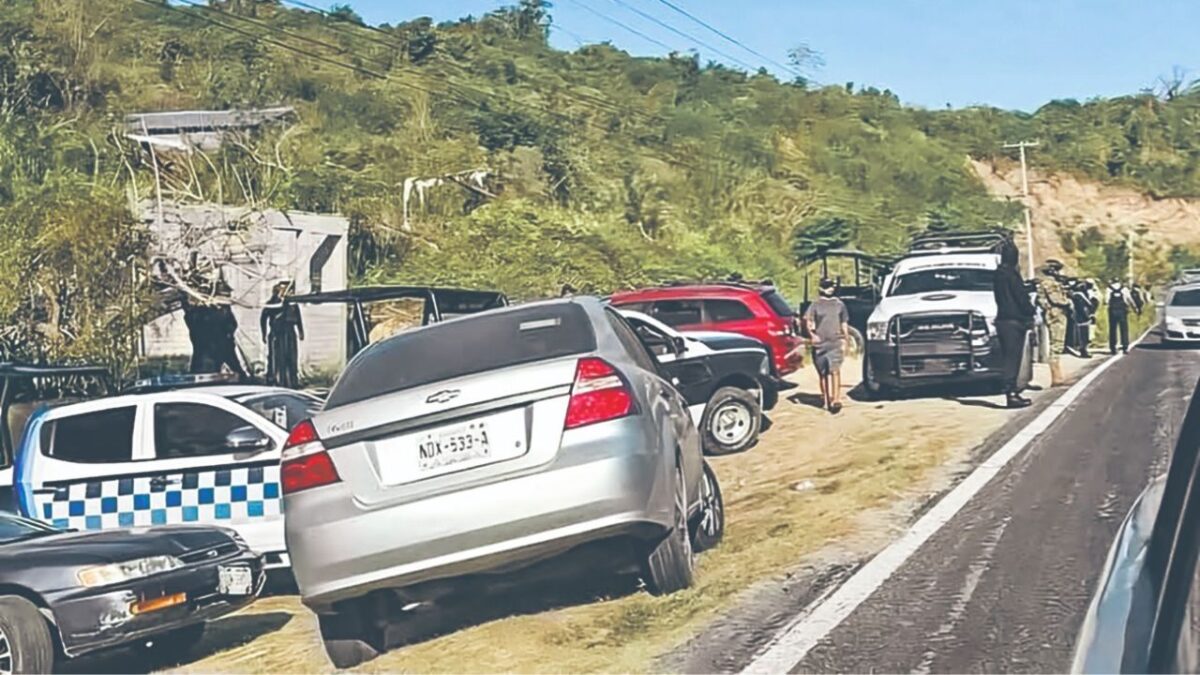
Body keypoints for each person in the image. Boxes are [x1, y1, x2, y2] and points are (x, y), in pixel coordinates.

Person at [992, 240, 1035, 408]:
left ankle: (1011, 390)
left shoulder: (997, 275)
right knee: (1013, 359)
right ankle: (1011, 393)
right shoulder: (1012, 275)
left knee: (1008, 357)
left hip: (1002, 319)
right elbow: (1021, 297)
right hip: (1014, 321)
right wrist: (1030, 310)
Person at [802, 278, 849, 414]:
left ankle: (836, 399)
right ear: (821, 288)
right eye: (827, 286)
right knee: (823, 373)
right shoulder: (815, 305)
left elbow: (844, 322)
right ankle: (826, 399)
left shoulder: (840, 304)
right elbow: (808, 320)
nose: (831, 289)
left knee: (835, 371)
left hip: (835, 342)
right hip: (820, 343)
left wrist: (845, 339)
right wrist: (812, 335)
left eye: (832, 286)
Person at [260, 281, 305, 388]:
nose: (285, 292)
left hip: (289, 332)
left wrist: (300, 331)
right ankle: (276, 381)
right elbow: (263, 318)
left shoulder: (293, 304)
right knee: (277, 358)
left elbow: (298, 318)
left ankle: (293, 382)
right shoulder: (272, 303)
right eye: (282, 289)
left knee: (291, 358)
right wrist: (264, 333)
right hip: (277, 333)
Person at [1036, 259, 1072, 386]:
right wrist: (1068, 301)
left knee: (1057, 345)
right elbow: (1057, 299)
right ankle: (1056, 377)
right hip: (1056, 314)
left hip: (1054, 313)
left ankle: (1058, 375)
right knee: (1057, 345)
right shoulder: (1050, 283)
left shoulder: (1047, 283)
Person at [1107, 280, 1132, 354]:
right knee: (1124, 329)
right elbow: (1129, 299)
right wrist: (1134, 308)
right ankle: (1125, 346)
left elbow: (1106, 300)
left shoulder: (1108, 289)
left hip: (1112, 311)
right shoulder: (1124, 289)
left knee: (1112, 330)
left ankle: (1113, 347)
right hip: (1122, 311)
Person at [1071, 281, 1093, 358]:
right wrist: (1087, 316)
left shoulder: (1076, 295)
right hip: (1082, 318)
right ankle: (1083, 351)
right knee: (1083, 335)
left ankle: (1083, 349)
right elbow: (1081, 307)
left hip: (1080, 317)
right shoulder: (1079, 296)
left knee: (1083, 334)